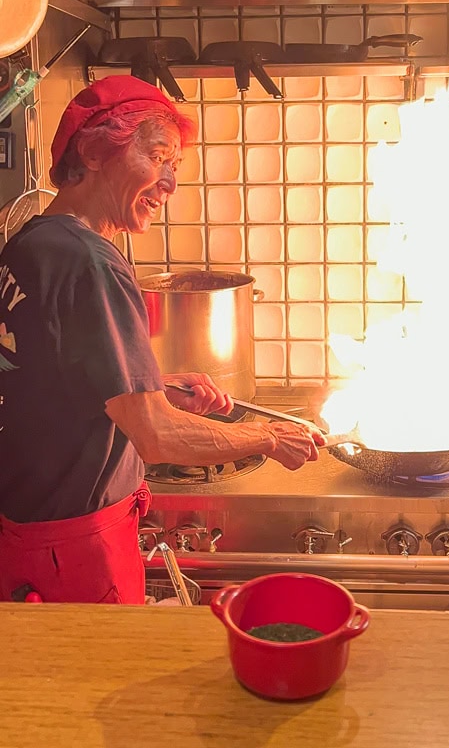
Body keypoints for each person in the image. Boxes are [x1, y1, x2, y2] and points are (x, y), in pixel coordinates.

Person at [0, 75, 325, 605]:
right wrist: (269, 436)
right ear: (94, 150)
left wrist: (154, 388)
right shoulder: (90, 262)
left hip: (27, 533)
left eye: (175, 166)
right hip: (75, 549)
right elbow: (156, 438)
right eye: (158, 157)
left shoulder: (33, 243)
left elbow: (46, 381)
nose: (169, 184)